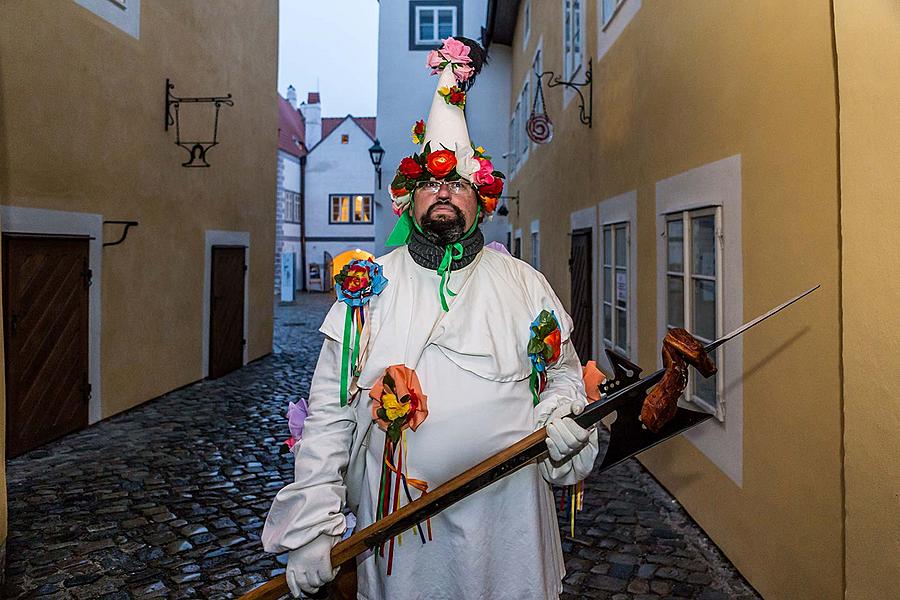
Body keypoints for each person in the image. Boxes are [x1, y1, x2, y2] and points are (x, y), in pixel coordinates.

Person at [261, 37, 601, 600]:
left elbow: (562, 372)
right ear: (409, 200)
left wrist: (563, 411)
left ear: (480, 201)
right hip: (404, 550)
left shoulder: (524, 284)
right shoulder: (365, 293)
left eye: (458, 183)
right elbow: (329, 418)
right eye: (430, 183)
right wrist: (311, 531)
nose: (443, 192)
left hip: (510, 533)